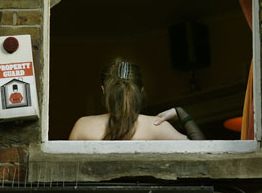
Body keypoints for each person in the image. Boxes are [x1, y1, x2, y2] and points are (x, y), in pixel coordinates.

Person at [68, 59, 205, 140]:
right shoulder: (156, 126)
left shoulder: (83, 126)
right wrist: (182, 114)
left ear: (103, 90)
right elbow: (203, 154)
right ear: (141, 92)